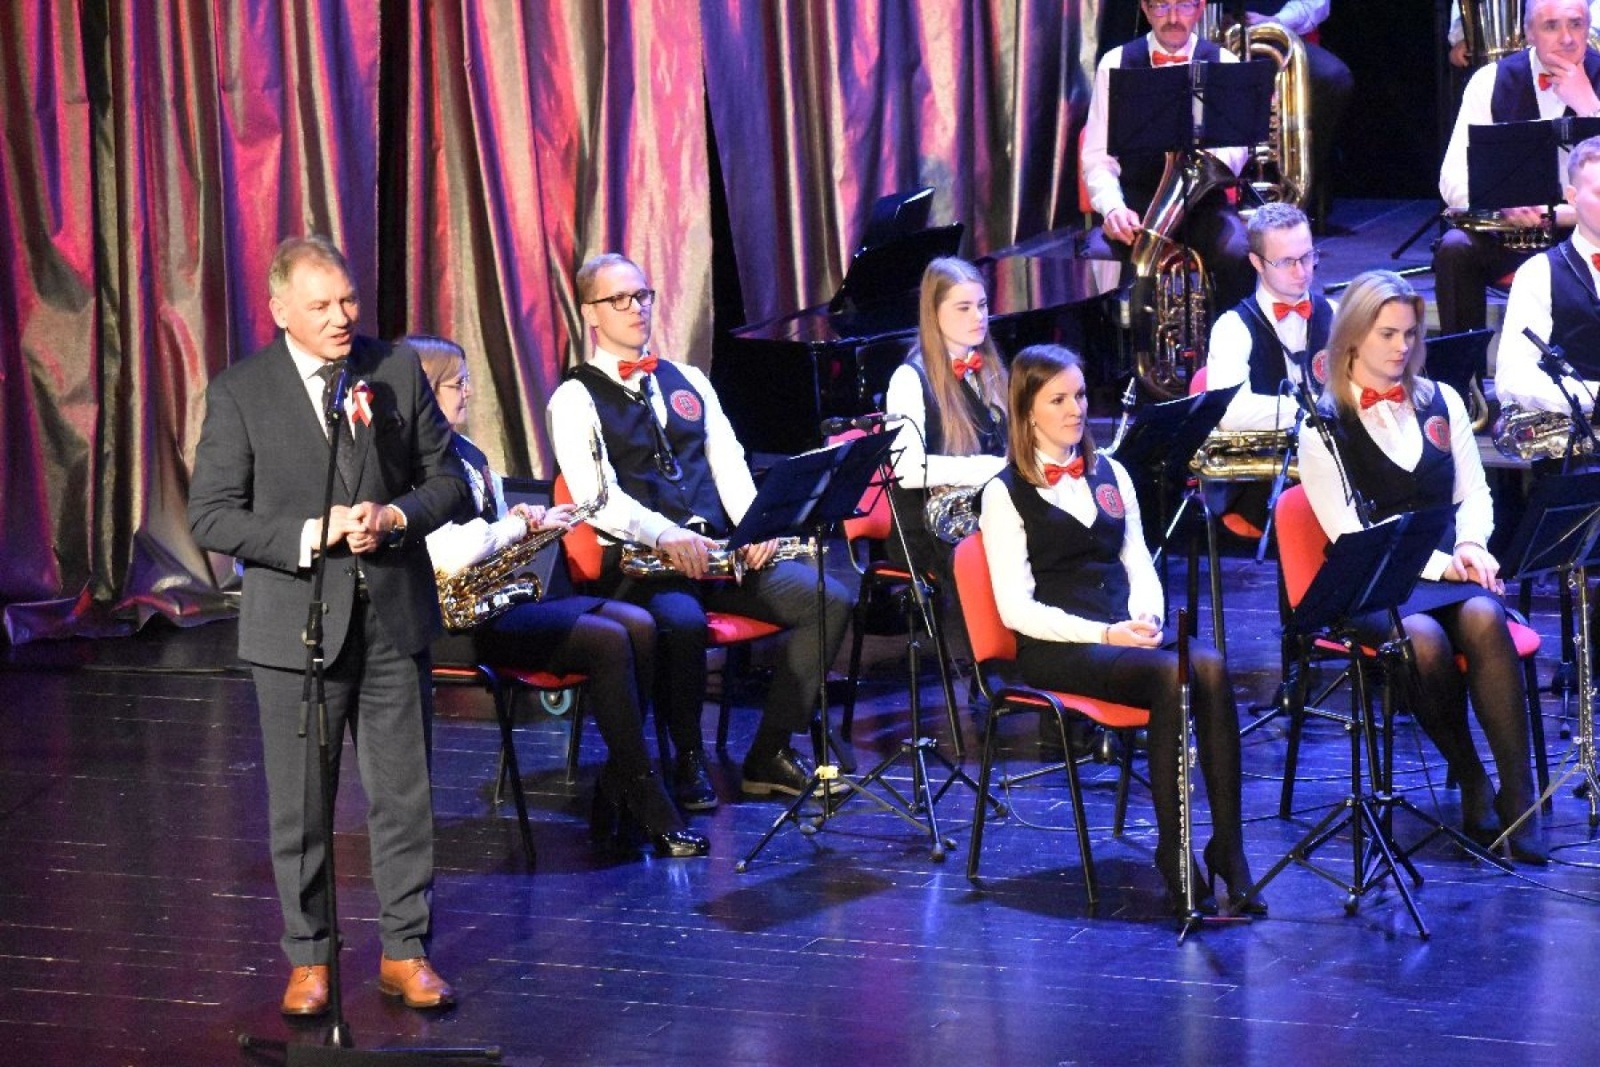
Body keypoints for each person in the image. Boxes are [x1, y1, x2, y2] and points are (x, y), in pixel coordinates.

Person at [187, 237, 471, 1017]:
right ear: (281, 311)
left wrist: (396, 516)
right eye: (321, 305)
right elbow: (211, 515)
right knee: (302, 806)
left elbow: (451, 481)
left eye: (347, 299)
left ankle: (405, 950)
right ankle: (309, 957)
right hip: (297, 629)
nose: (343, 316)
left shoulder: (395, 369)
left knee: (404, 798)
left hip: (393, 619)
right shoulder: (243, 392)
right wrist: (314, 532)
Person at [547, 253, 853, 810]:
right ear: (590, 313)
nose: (636, 308)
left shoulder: (688, 380)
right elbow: (597, 497)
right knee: (682, 623)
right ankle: (687, 757)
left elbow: (728, 464)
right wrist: (664, 535)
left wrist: (756, 526)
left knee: (827, 598)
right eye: (619, 299)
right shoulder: (573, 398)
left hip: (717, 555)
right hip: (644, 563)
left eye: (642, 295)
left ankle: (769, 752)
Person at [978, 343, 1262, 917]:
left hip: (1123, 632)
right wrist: (1107, 635)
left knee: (1208, 663)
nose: (1076, 409)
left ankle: (1228, 849)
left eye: (1080, 395)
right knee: (1169, 677)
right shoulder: (1004, 493)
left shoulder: (1112, 472)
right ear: (1027, 411)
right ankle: (1174, 853)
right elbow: (1016, 611)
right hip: (1059, 646)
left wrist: (1148, 618)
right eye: (1058, 399)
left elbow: (1139, 563)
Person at [414, 336, 708, 859]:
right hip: (455, 624)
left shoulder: (469, 454)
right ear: (426, 392)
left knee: (639, 623)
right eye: (458, 383)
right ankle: (646, 799)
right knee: (607, 640)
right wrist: (512, 528)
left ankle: (617, 788)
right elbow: (451, 552)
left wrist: (534, 523)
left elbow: (492, 534)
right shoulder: (412, 464)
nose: (469, 391)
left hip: (497, 604)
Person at [1298, 270, 1549, 864]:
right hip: (1377, 581)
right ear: (1353, 337)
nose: (1402, 346)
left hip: (1448, 570)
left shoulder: (1442, 400)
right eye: (1387, 334)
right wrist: (1445, 566)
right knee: (1423, 640)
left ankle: (1519, 796)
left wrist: (1473, 545)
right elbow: (1350, 534)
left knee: (1484, 618)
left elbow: (1474, 491)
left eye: (1410, 334)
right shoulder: (1322, 426)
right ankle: (1471, 776)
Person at [1434, 0, 1600, 334]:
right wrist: (1502, 205)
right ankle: (1464, 365)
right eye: (1551, 26)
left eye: (1575, 24)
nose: (1567, 38)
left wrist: (1589, 108)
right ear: (1529, 33)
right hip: (1512, 232)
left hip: (1588, 233)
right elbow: (1452, 179)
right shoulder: (1489, 81)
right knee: (1455, 249)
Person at [1081, 0, 1255, 312]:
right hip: (1134, 209)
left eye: (1184, 5)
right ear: (1145, 9)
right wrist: (1113, 209)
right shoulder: (1115, 63)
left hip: (1203, 208)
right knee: (1096, 258)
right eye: (1161, 6)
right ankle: (1126, 342)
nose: (1173, 17)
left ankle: (1224, 339)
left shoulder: (1224, 62)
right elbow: (1097, 157)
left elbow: (1235, 151)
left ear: (1200, 8)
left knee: (1237, 254)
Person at [1204, 201, 1335, 534]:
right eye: (1286, 262)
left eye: (1308, 257)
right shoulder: (1232, 327)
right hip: (1262, 482)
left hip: (1334, 467)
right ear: (1257, 263)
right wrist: (1312, 411)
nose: (1302, 271)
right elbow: (1231, 414)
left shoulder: (1335, 314)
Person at [882, 256, 1008, 599]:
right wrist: (987, 468)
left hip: (982, 512)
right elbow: (908, 471)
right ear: (933, 313)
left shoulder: (989, 369)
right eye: (963, 308)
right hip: (931, 530)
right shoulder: (909, 378)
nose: (978, 317)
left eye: (982, 305)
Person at [1496, 134, 1600, 414]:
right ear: (1573, 197)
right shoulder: (1539, 273)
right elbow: (1513, 378)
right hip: (1579, 434)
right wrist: (1593, 396)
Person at [1235, 3, 1354, 227]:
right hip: (1203, 35)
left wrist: (1277, 21)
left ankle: (1297, 187)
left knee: (1332, 77)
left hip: (1273, 33)